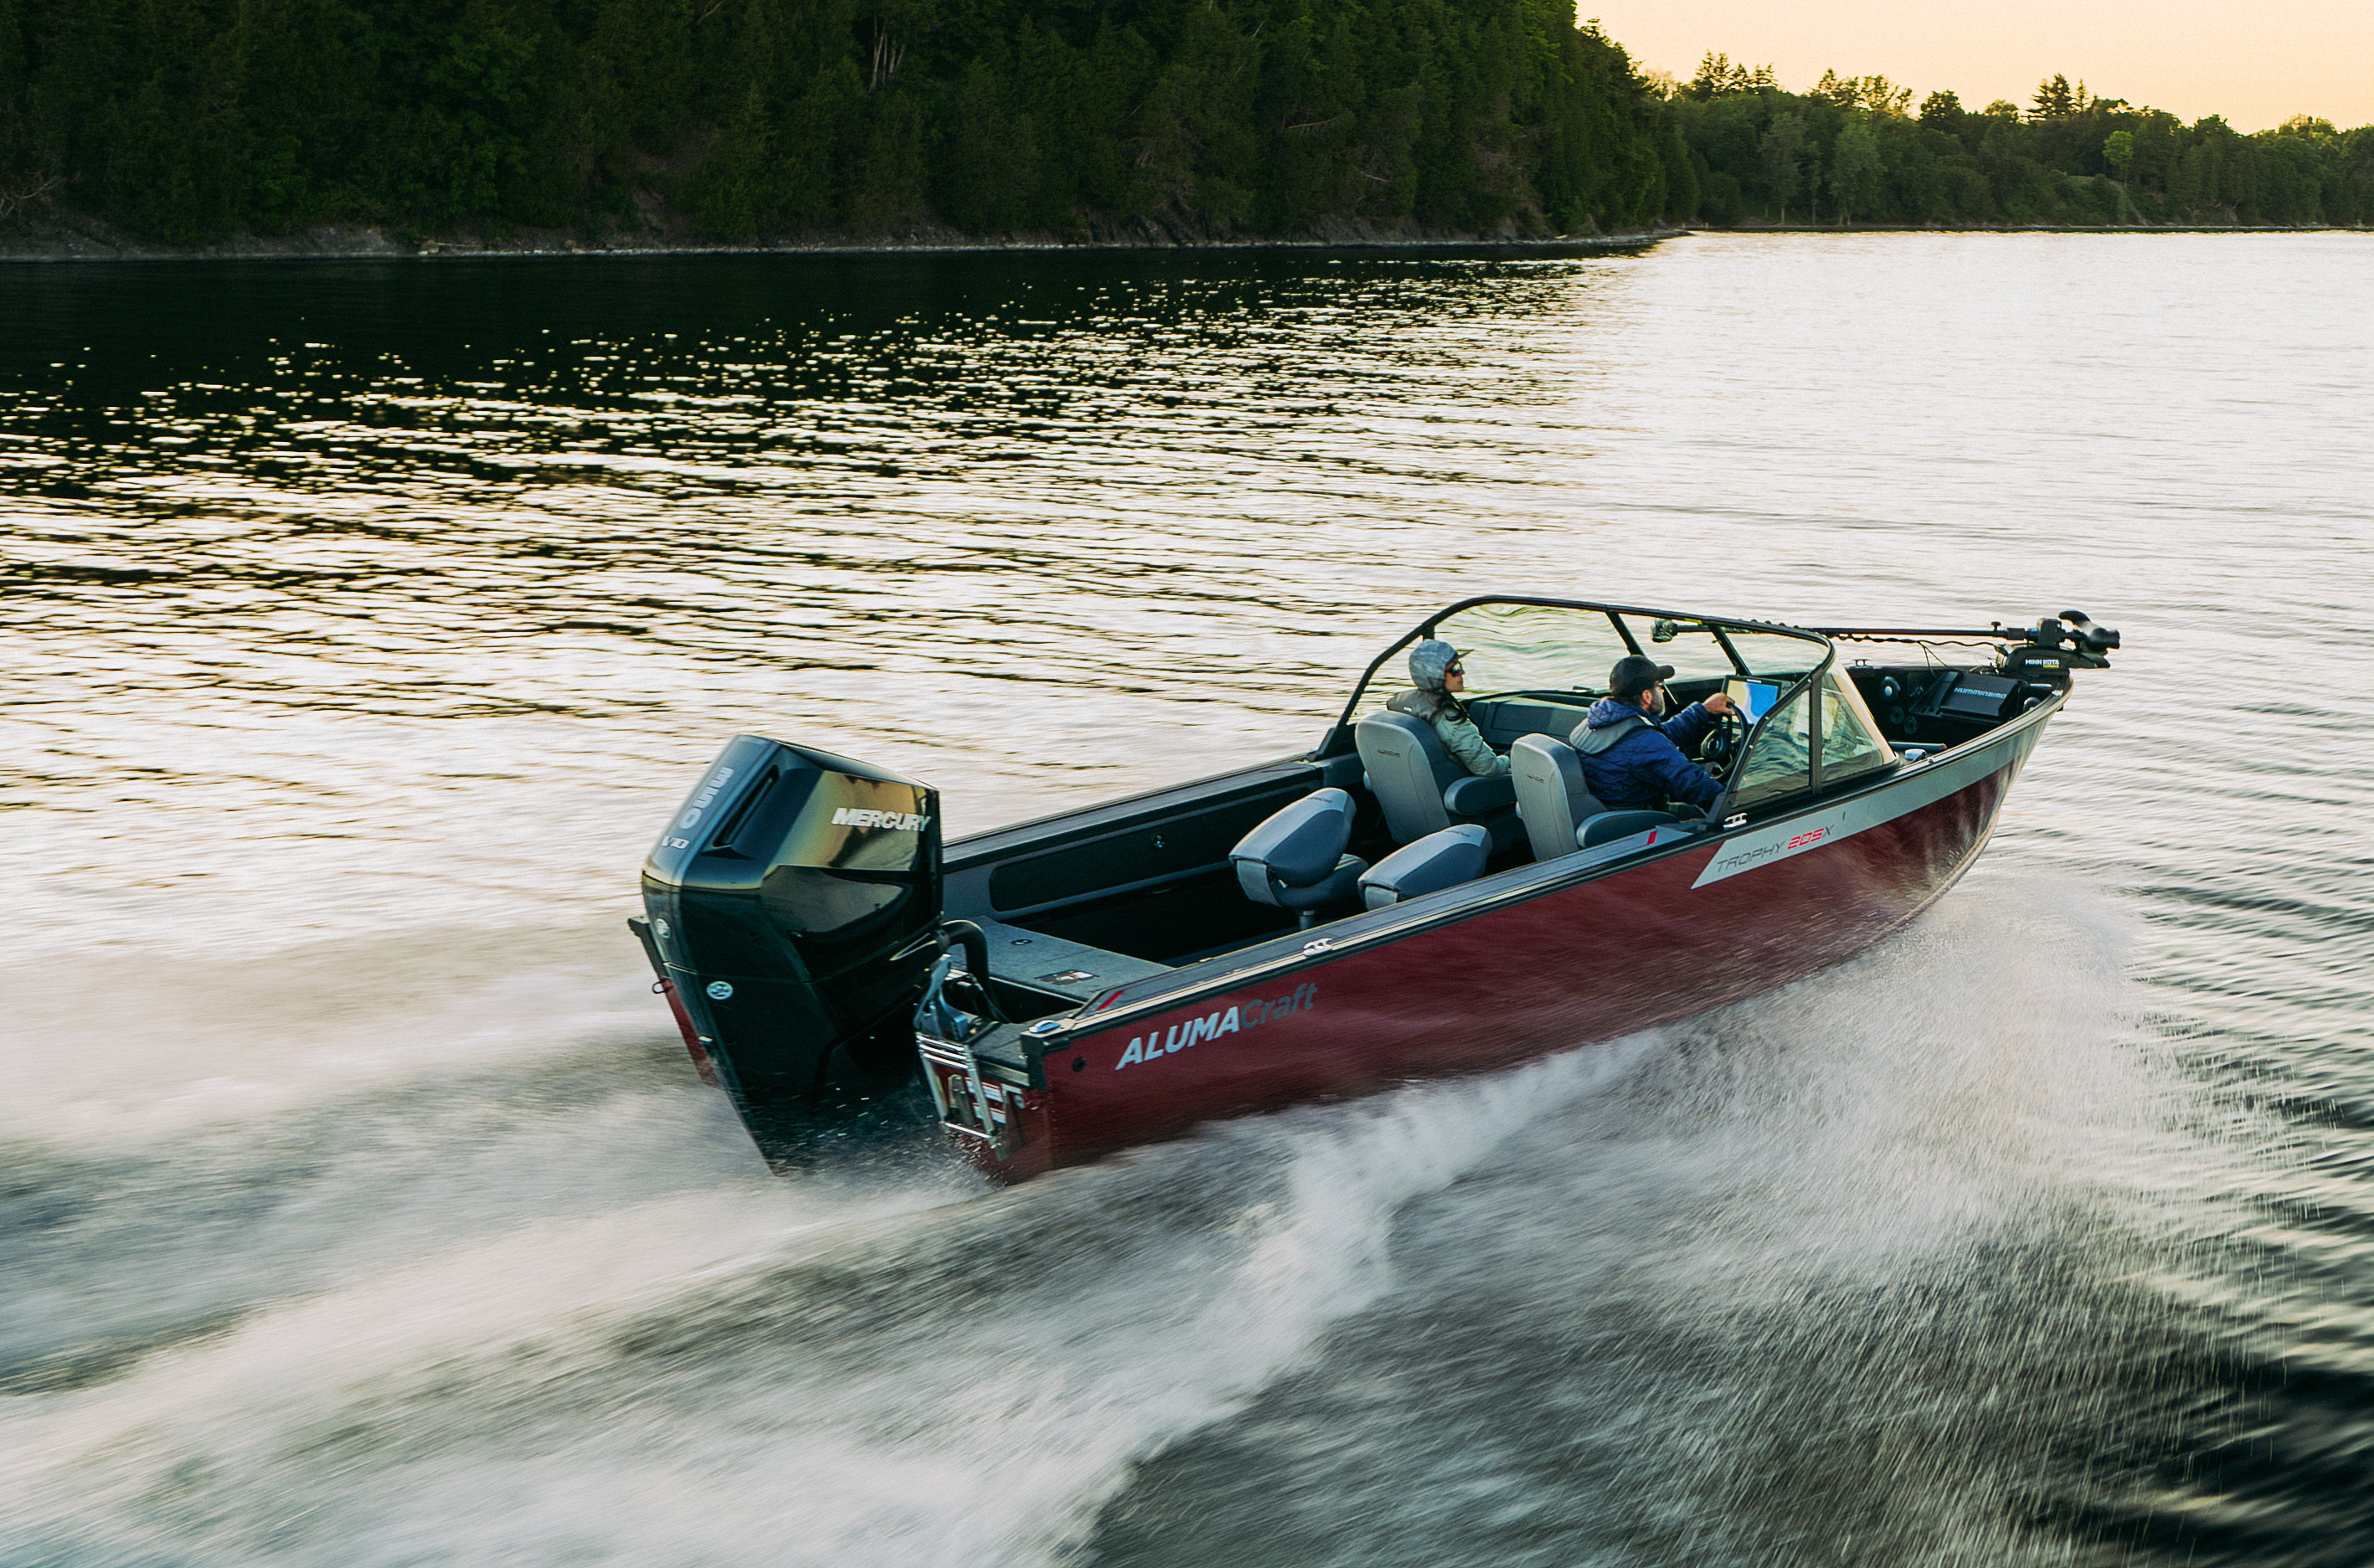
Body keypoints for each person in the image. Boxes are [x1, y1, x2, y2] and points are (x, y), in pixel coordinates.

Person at [1572, 655, 1738, 814]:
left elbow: (1658, 738)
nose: (1663, 692)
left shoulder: (1599, 721)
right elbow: (1693, 785)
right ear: (1647, 696)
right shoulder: (1643, 742)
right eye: (1659, 686)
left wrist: (1703, 710)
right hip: (1636, 821)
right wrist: (1738, 806)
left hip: (1605, 811)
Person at [1386, 640, 1510, 777]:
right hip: (1460, 789)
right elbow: (1488, 768)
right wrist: (1508, 759)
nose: (1462, 672)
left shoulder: (1400, 703)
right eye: (1454, 669)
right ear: (1436, 676)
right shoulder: (1449, 718)